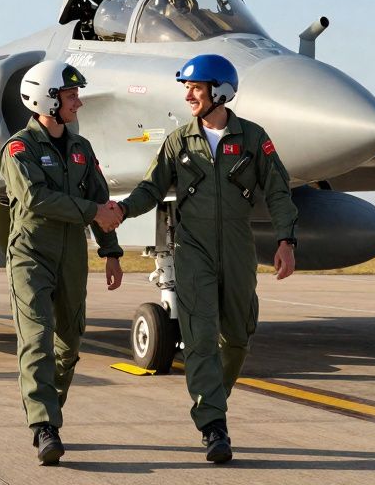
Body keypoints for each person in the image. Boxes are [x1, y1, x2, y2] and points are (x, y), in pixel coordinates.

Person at [115, 54, 299, 464]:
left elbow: (278, 191)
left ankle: (213, 397)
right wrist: (124, 210)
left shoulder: (253, 139)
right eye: (188, 88)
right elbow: (151, 187)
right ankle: (213, 425)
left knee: (237, 336)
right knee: (199, 339)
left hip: (237, 247)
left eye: (195, 88)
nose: (188, 95)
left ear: (220, 92)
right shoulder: (179, 141)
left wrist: (287, 240)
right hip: (192, 249)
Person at [0, 59, 124, 465]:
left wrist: (111, 251)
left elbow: (100, 201)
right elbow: (35, 198)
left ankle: (49, 411)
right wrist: (92, 213)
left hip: (73, 257)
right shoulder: (18, 148)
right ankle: (44, 425)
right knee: (37, 341)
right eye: (71, 96)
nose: (79, 103)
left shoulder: (81, 150)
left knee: (68, 346)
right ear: (47, 100)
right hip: (31, 254)